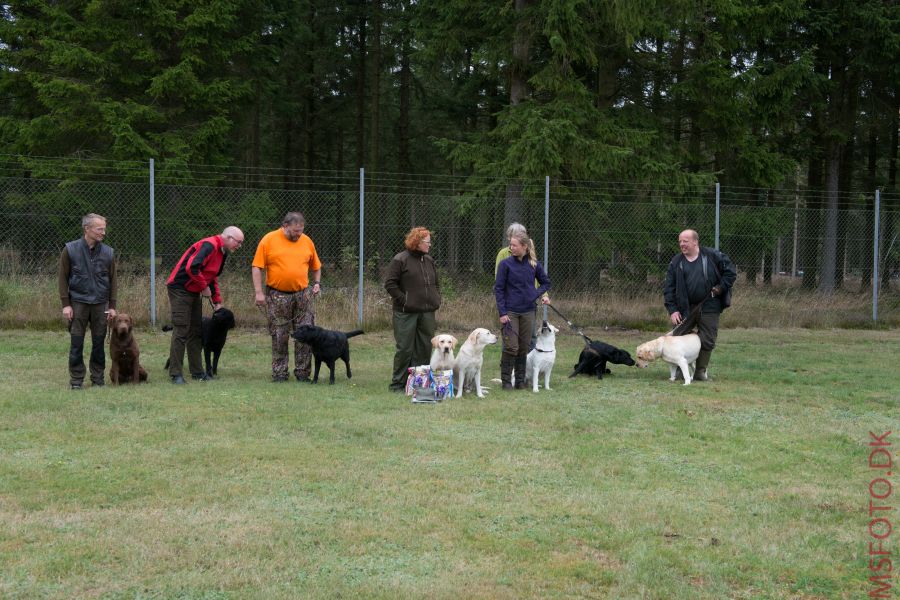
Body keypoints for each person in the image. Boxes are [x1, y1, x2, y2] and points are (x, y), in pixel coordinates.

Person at [166, 226, 245, 384]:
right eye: (238, 242)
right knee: (182, 329)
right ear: (228, 237)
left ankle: (197, 372)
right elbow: (192, 267)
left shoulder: (222, 253)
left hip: (194, 290)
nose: (239, 246)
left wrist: (217, 302)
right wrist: (203, 287)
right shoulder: (209, 245)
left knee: (196, 331)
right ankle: (176, 374)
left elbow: (211, 277)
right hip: (180, 288)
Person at [252, 212, 322, 383]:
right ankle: (280, 373)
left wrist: (317, 283)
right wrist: (259, 292)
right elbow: (256, 267)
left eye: (301, 231)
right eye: (295, 231)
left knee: (306, 333)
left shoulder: (307, 241)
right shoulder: (269, 240)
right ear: (285, 226)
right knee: (279, 335)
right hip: (277, 295)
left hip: (303, 295)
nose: (298, 235)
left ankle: (303, 373)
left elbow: (316, 266)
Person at [663, 229, 737, 381]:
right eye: (680, 242)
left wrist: (721, 288)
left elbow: (730, 273)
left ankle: (700, 372)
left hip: (710, 304)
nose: (682, 244)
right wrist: (673, 310)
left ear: (695, 242)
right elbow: (669, 288)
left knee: (708, 339)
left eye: (685, 241)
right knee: (677, 336)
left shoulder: (713, 256)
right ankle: (678, 370)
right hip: (685, 308)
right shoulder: (676, 262)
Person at [59, 213, 117, 390]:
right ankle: (76, 380)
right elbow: (63, 278)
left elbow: (113, 280)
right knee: (77, 344)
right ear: (87, 229)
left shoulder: (108, 252)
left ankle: (98, 379)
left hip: (101, 304)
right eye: (100, 229)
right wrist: (66, 304)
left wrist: (112, 306)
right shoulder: (70, 249)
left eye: (104, 229)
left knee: (99, 344)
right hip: (78, 303)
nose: (103, 233)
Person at [384, 227, 442, 392]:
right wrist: (405, 300)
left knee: (424, 347)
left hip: (427, 312)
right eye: (427, 242)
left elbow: (436, 283)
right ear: (417, 242)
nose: (430, 245)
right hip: (405, 313)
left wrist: (436, 298)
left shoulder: (429, 260)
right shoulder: (400, 260)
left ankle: (419, 383)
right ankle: (397, 384)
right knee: (405, 348)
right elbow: (390, 284)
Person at [494, 230, 551, 389]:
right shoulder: (505, 264)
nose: (511, 247)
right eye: (510, 244)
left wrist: (536, 294)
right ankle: (506, 381)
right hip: (510, 311)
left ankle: (520, 380)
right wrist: (502, 312)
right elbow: (498, 289)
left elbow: (546, 283)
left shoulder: (533, 265)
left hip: (528, 311)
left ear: (524, 246)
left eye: (514, 245)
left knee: (524, 346)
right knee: (511, 346)